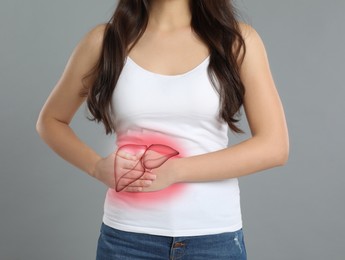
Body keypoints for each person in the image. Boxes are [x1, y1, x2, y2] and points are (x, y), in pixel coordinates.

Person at [36, 0, 289, 259]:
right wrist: (96, 167)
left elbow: (274, 146)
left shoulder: (236, 41)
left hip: (213, 239)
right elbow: (50, 121)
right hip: (127, 240)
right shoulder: (106, 41)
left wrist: (176, 171)